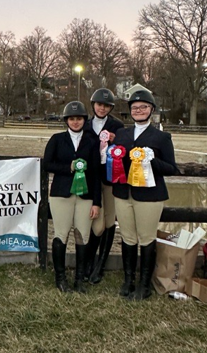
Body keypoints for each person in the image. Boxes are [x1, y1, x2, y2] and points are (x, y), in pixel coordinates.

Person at [112, 90, 178, 300]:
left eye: (143, 107)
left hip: (150, 196)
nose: (138, 111)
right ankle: (128, 279)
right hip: (123, 193)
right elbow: (116, 162)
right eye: (134, 108)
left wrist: (151, 160)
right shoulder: (122, 134)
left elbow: (171, 168)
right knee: (127, 237)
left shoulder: (161, 137)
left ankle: (144, 284)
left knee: (147, 239)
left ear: (151, 110)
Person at [43, 101, 101, 293]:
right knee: (61, 234)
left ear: (84, 120)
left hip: (85, 196)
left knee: (83, 235)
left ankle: (79, 279)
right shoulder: (57, 139)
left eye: (79, 119)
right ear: (66, 120)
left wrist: (97, 202)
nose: (75, 122)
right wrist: (68, 168)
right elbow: (47, 164)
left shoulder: (92, 141)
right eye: (72, 119)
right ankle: (60, 278)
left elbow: (96, 173)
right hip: (62, 194)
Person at [83, 88, 124, 284]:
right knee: (94, 221)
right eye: (99, 104)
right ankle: (88, 261)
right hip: (90, 178)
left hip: (109, 178)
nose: (102, 108)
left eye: (106, 105)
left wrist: (118, 142)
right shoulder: (85, 125)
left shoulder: (117, 125)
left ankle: (100, 264)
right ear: (94, 105)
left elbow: (124, 151)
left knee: (109, 221)